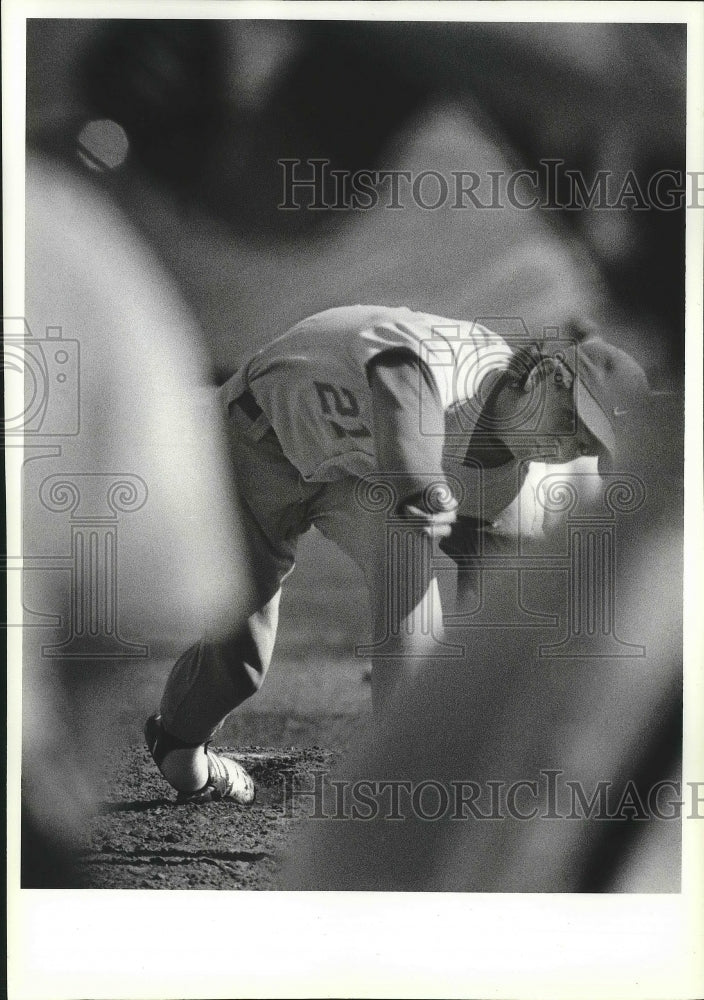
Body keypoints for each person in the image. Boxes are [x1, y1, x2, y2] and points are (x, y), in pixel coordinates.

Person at [144, 304, 652, 803]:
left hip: (363, 486)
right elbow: (401, 392)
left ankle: (405, 796)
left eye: (582, 445)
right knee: (240, 664)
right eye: (570, 420)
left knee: (416, 619)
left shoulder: (514, 492)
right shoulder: (458, 357)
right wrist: (422, 487)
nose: (563, 448)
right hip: (259, 438)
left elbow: (496, 628)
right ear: (546, 375)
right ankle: (179, 746)